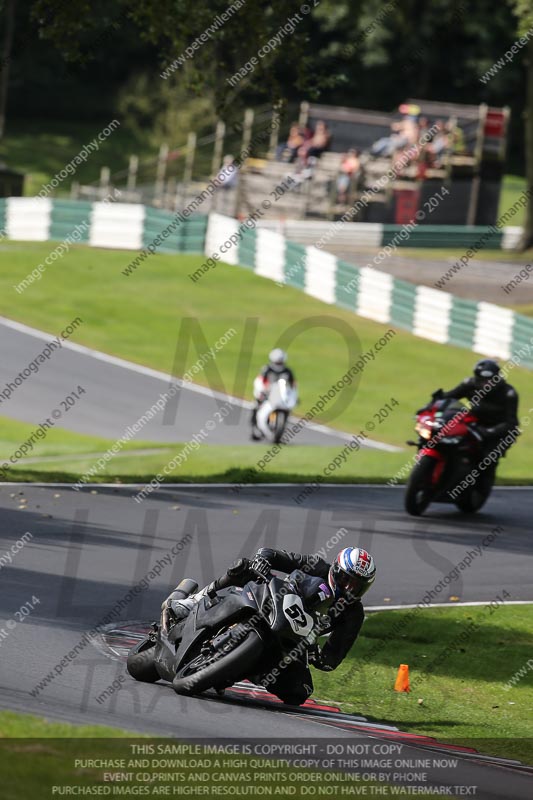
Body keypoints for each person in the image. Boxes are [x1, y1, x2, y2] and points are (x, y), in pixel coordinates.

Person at [162, 545, 376, 705]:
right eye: (346, 580)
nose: (349, 588)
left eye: (357, 586)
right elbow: (273, 554)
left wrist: (318, 656)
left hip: (294, 640)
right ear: (336, 570)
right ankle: (195, 600)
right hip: (270, 602)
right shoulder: (318, 567)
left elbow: (334, 655)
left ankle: (241, 668)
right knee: (243, 567)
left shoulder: (353, 614)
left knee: (300, 691)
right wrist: (261, 560)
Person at [433, 359, 519, 454]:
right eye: (483, 381)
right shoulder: (469, 384)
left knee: (487, 457)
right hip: (474, 424)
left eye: (490, 381)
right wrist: (438, 397)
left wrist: (488, 431)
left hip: (496, 431)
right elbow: (450, 397)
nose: (486, 385)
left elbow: (511, 423)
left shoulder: (508, 394)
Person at [250, 348, 296, 440]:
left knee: (288, 409)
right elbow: (260, 380)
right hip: (268, 393)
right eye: (277, 362)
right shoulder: (267, 369)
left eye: (280, 362)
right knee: (256, 405)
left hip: (280, 396)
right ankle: (255, 428)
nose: (278, 364)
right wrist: (261, 390)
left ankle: (279, 429)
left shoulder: (287, 371)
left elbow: (293, 385)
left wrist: (293, 396)